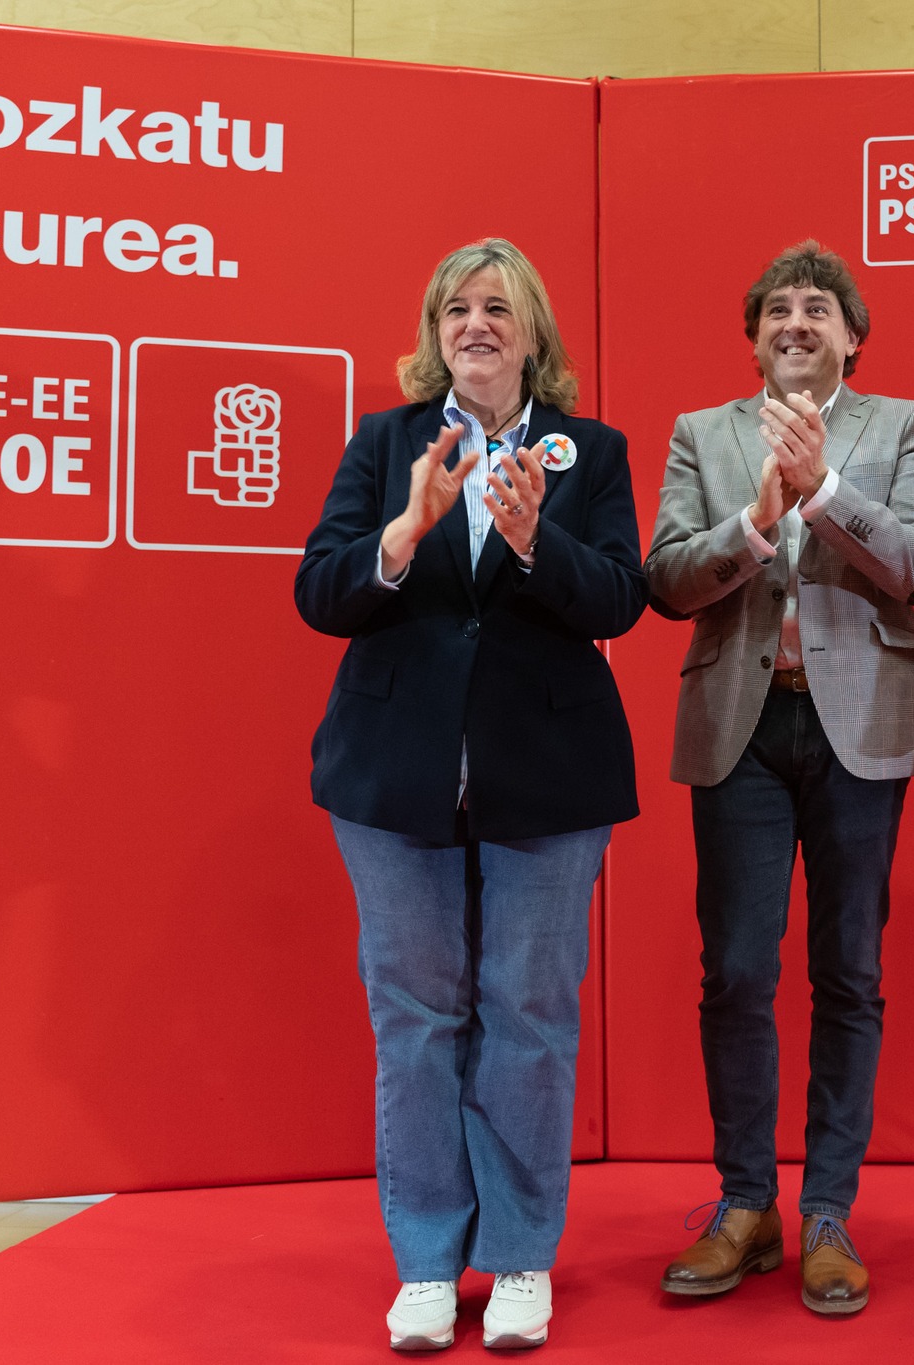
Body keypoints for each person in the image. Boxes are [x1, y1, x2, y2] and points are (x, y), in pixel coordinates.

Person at [294, 238, 646, 1352]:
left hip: (548, 777)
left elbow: (620, 601)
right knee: (414, 1020)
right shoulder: (387, 439)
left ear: (533, 331)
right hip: (393, 778)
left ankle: (523, 1257)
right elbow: (320, 588)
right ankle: (426, 1266)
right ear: (433, 331)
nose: (475, 325)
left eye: (498, 308)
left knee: (529, 1017)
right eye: (457, 308)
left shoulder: (589, 451)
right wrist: (403, 533)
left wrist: (539, 538)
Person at [645, 241, 914, 1315]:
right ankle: (746, 1206)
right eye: (775, 309)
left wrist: (821, 491)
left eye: (816, 309)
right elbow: (666, 579)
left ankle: (826, 1211)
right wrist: (749, 520)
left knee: (848, 971)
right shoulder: (702, 434)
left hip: (860, 724)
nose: (794, 323)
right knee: (733, 969)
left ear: (851, 336)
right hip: (740, 722)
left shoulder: (902, 424)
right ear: (751, 337)